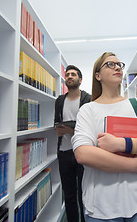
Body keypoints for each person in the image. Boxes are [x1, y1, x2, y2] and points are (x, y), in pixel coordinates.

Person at [71, 52, 137, 221]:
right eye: (110, 64)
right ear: (97, 76)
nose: (117, 68)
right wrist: (134, 165)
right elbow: (83, 154)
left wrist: (120, 144)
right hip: (100, 204)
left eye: (119, 64)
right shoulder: (88, 110)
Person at [54, 65, 91, 222]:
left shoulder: (88, 99)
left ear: (80, 80)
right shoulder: (60, 100)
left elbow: (90, 128)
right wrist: (69, 126)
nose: (69, 76)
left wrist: (69, 130)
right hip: (64, 152)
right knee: (69, 195)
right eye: (67, 74)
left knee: (84, 194)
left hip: (82, 152)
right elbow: (57, 124)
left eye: (73, 74)